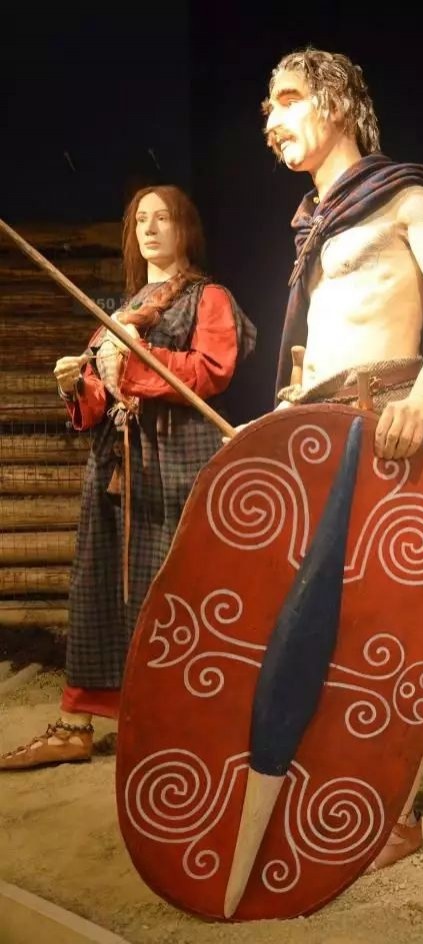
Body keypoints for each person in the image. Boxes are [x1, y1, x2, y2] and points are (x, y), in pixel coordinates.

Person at [242, 47, 423, 869]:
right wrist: (291, 404)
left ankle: (403, 807)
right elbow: (323, 340)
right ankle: (344, 784)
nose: (271, 120)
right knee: (332, 620)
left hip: (387, 429)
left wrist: (421, 405)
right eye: (268, 107)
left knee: (396, 621)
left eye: (288, 100)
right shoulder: (317, 225)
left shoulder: (408, 198)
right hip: (326, 433)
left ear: (335, 105)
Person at [0, 185, 256, 770]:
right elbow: (98, 397)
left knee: (176, 590)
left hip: (177, 457)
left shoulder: (209, 298)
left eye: (163, 218)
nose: (150, 229)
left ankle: (179, 722)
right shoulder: (119, 314)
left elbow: (213, 370)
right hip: (118, 463)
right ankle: (76, 725)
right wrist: (77, 384)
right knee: (99, 586)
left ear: (186, 228)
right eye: (141, 220)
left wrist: (139, 360)